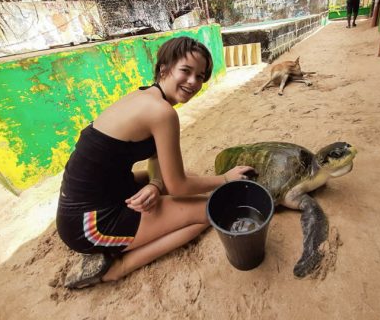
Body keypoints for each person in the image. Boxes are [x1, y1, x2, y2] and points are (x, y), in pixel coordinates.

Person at [56, 36, 254, 289]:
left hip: (98, 199)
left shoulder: (145, 96)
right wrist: (225, 179)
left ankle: (137, 224)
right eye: (186, 71)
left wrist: (155, 185)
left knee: (186, 176)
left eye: (201, 76)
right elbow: (179, 187)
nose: (193, 81)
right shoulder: (162, 113)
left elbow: (158, 163)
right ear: (164, 68)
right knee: (211, 210)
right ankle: (118, 268)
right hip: (89, 225)